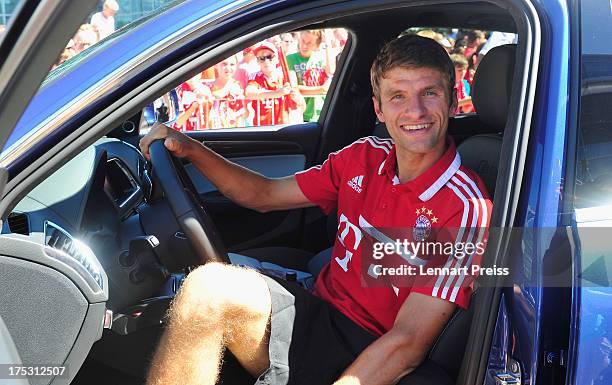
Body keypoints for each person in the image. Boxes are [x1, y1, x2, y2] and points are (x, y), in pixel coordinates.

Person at [140, 35, 491, 385]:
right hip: (318, 308)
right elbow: (264, 193)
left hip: (364, 348)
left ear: (453, 100)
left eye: (429, 93)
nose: (415, 111)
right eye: (398, 96)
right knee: (201, 286)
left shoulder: (466, 208)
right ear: (379, 109)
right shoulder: (365, 156)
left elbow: (408, 343)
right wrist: (191, 150)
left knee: (209, 292)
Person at [245, 41, 303, 126]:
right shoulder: (255, 77)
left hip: (283, 128)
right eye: (261, 58)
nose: (266, 61)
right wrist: (277, 93)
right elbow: (249, 93)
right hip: (262, 129)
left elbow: (302, 106)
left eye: (270, 57)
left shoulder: (287, 76)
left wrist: (296, 98)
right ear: (257, 61)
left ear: (277, 59)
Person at [286, 30, 334, 122]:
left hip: (321, 113)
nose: (304, 46)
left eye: (309, 43)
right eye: (303, 41)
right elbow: (294, 88)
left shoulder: (320, 58)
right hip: (301, 114)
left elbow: (331, 71)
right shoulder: (290, 59)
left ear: (317, 45)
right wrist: (321, 89)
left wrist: (327, 42)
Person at [206, 55, 248, 128]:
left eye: (232, 64)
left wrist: (242, 100)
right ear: (216, 65)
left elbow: (246, 114)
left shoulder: (238, 87)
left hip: (233, 131)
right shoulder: (207, 88)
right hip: (213, 131)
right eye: (224, 64)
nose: (228, 68)